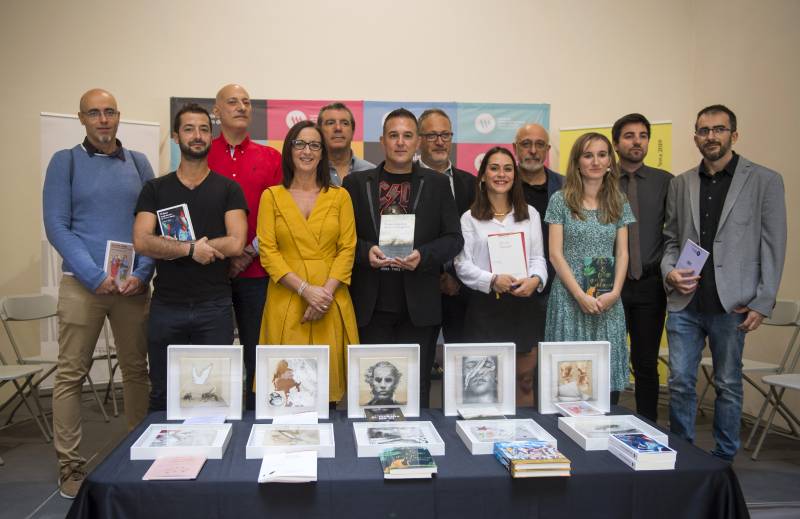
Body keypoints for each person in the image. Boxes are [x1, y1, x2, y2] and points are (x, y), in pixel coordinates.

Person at [43, 88, 154, 499]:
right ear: (82, 119)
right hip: (83, 284)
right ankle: (69, 466)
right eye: (94, 113)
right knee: (71, 374)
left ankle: (138, 454)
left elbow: (152, 228)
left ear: (119, 116)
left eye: (109, 112)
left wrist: (142, 273)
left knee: (136, 371)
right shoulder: (66, 162)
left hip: (131, 287)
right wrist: (93, 275)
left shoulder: (140, 164)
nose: (103, 119)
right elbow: (57, 224)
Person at [662, 104, 786, 461]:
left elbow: (774, 244)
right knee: (680, 383)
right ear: (695, 136)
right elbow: (671, 239)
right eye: (704, 130)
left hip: (733, 304)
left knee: (728, 385)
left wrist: (764, 301)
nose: (710, 136)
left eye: (718, 129)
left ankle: (723, 458)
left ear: (734, 134)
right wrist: (670, 271)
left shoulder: (765, 180)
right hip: (686, 303)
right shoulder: (681, 182)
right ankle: (683, 453)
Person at [343, 108, 463, 408]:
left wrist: (423, 255)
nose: (400, 142)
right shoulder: (357, 184)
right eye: (393, 136)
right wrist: (365, 251)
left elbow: (454, 239)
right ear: (382, 141)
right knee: (371, 387)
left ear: (418, 141)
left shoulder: (436, 184)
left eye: (407, 136)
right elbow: (342, 240)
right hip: (371, 304)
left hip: (419, 306)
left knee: (415, 388)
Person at [133, 103, 247, 412]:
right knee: (163, 394)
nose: (197, 136)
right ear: (175, 136)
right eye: (188, 129)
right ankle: (161, 458)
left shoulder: (229, 189)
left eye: (203, 130)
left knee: (217, 395)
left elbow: (237, 242)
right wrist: (190, 249)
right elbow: (142, 240)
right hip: (167, 306)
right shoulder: (155, 189)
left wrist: (181, 247)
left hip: (215, 306)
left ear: (212, 137)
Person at [256, 120, 358, 404]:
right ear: (289, 150)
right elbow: (268, 251)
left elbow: (347, 248)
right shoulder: (271, 197)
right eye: (299, 143)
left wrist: (322, 294)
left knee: (328, 393)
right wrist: (305, 291)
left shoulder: (340, 197)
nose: (307, 151)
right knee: (286, 391)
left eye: (314, 145)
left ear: (323, 153)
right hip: (287, 298)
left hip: (330, 297)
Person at [544, 132, 635, 405]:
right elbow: (555, 255)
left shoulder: (619, 202)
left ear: (610, 161)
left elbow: (622, 253)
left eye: (602, 154)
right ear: (577, 162)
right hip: (570, 299)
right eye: (588, 155)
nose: (595, 161)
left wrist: (616, 292)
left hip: (607, 301)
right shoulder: (561, 201)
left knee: (605, 386)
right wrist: (580, 296)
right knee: (569, 384)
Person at [208, 83, 282, 410]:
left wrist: (247, 251)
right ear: (216, 111)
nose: (241, 107)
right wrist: (224, 255)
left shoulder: (270, 158)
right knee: (216, 354)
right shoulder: (200, 154)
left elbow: (281, 215)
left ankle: (257, 420)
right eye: (233, 101)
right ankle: (215, 422)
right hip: (211, 273)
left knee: (258, 353)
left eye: (247, 102)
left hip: (258, 272)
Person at [454, 147, 547, 403]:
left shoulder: (530, 214)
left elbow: (538, 257)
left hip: (523, 305)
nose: (501, 174)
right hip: (485, 309)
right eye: (494, 168)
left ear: (515, 176)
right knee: (483, 385)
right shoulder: (469, 218)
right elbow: (462, 264)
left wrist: (536, 280)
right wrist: (492, 280)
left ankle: (525, 438)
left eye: (508, 169)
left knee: (524, 381)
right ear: (483, 175)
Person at [611, 113, 672, 422]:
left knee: (646, 361)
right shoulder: (602, 179)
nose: (637, 141)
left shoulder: (665, 182)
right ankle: (604, 423)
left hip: (649, 285)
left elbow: (675, 231)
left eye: (643, 135)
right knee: (609, 360)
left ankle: (649, 427)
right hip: (610, 285)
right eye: (629, 135)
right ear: (616, 142)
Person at [513, 123, 564, 405]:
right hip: (516, 291)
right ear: (515, 148)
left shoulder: (566, 186)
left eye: (539, 144)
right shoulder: (500, 184)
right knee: (523, 375)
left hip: (560, 290)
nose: (532, 150)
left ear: (547, 149)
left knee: (555, 369)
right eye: (525, 144)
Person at [417, 108, 476, 345]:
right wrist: (439, 276)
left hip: (463, 290)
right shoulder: (407, 181)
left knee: (463, 370)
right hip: (419, 289)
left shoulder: (470, 183)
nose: (440, 142)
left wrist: (454, 277)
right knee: (418, 366)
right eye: (432, 136)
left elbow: (474, 236)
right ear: (419, 139)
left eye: (445, 135)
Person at [317, 102, 375, 186]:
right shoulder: (311, 171)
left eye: (344, 123)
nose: (338, 128)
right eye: (330, 123)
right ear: (319, 131)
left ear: (353, 131)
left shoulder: (371, 171)